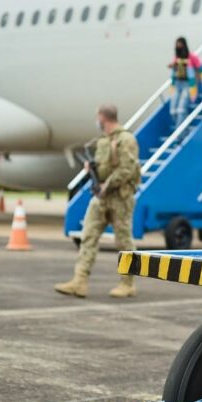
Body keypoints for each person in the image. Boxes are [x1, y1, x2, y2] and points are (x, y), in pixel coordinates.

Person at [54, 104, 141, 299]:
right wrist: (92, 169)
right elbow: (104, 167)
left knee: (124, 241)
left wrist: (107, 185)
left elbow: (127, 169)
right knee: (88, 235)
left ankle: (127, 284)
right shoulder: (103, 141)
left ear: (103, 118)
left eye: (97, 118)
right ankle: (79, 281)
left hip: (120, 197)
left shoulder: (126, 139)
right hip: (101, 197)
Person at [169, 39, 196, 126]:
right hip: (177, 84)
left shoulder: (191, 57)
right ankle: (183, 128)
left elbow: (200, 70)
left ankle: (180, 132)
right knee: (173, 111)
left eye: (180, 45)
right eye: (177, 45)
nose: (178, 47)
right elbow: (173, 74)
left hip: (187, 85)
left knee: (181, 110)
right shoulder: (176, 58)